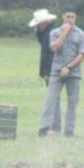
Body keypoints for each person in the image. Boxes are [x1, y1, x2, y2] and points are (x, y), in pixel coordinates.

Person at [39, 10, 84, 137]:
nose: (70, 19)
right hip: (56, 72)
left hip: (74, 73)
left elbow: (82, 54)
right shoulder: (54, 32)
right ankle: (44, 128)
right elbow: (54, 48)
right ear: (63, 17)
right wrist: (64, 32)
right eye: (68, 16)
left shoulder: (81, 34)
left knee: (72, 102)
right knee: (50, 99)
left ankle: (69, 131)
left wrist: (69, 68)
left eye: (73, 16)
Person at [28, 8, 61, 136]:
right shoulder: (46, 32)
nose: (38, 27)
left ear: (46, 22)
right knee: (54, 99)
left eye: (39, 24)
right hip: (51, 70)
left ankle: (53, 127)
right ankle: (55, 127)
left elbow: (50, 55)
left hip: (53, 70)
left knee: (52, 99)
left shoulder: (51, 33)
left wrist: (47, 73)